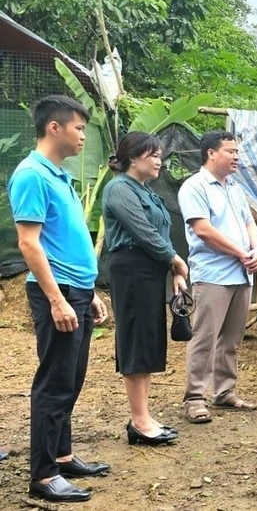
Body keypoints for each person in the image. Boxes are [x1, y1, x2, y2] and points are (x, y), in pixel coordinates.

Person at [7, 95, 110, 503]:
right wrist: (57, 299)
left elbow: (65, 239)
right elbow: (29, 244)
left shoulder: (58, 175)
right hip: (58, 292)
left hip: (77, 290)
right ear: (55, 128)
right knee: (54, 383)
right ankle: (44, 474)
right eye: (79, 128)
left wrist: (90, 293)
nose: (83, 135)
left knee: (71, 379)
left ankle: (62, 455)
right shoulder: (31, 174)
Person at [102, 132, 188, 445]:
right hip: (132, 271)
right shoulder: (119, 189)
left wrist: (172, 269)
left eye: (160, 156)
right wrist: (175, 260)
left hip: (151, 271)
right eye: (153, 155)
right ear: (133, 157)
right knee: (136, 340)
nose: (158, 161)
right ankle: (139, 420)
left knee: (149, 340)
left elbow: (160, 235)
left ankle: (144, 415)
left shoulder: (145, 190)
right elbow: (144, 232)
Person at [177, 131, 257, 424]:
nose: (236, 156)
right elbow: (203, 230)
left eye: (237, 151)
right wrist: (242, 252)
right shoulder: (195, 186)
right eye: (230, 151)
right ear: (211, 153)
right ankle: (194, 397)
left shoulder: (235, 189)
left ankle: (224, 391)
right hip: (213, 274)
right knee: (205, 337)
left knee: (232, 338)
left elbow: (250, 223)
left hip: (241, 274)